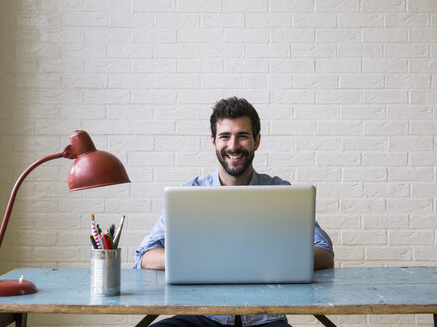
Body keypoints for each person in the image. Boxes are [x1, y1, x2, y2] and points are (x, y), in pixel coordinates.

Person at [134, 97, 334, 327]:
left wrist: (273, 261)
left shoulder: (280, 193)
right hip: (201, 316)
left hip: (265, 319)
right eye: (224, 136)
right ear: (213, 141)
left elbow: (325, 253)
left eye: (242, 136)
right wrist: (202, 260)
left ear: (257, 141)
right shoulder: (190, 194)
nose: (233, 145)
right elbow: (145, 256)